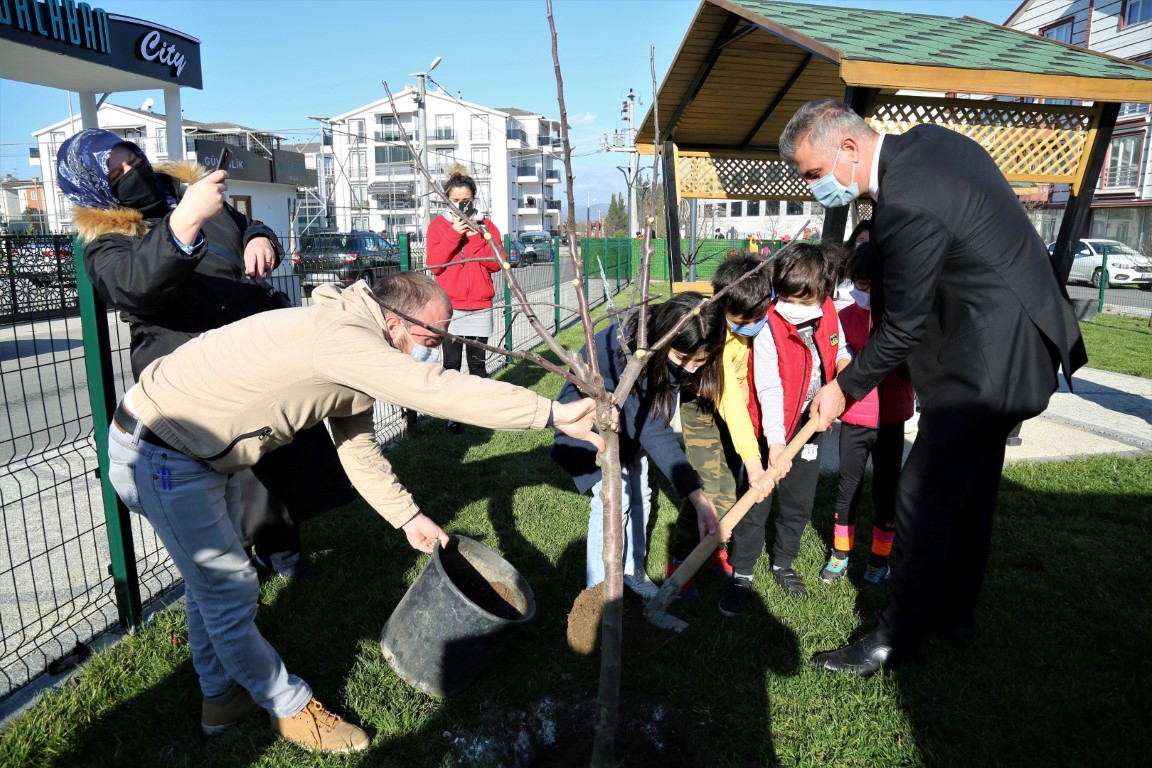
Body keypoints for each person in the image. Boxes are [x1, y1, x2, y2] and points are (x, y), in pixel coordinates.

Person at [103, 272, 600, 752]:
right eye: (433, 332)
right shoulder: (343, 342)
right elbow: (437, 388)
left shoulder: (354, 343)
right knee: (228, 588)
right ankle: (289, 707)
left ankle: (219, 699)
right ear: (395, 322)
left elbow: (358, 448)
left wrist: (408, 517)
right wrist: (551, 414)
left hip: (199, 455)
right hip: (162, 454)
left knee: (210, 587)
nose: (437, 344)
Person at [780, 99, 1085, 675]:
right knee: (970, 494)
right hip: (1017, 345)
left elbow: (902, 327)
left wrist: (842, 388)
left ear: (848, 148)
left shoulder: (909, 201)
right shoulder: (927, 145)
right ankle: (954, 614)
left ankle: (897, 637)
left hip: (988, 368)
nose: (815, 188)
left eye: (814, 175)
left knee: (921, 494)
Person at [58, 128, 350, 581]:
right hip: (191, 366)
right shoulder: (107, 240)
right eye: (115, 172)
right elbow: (133, 285)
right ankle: (242, 570)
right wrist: (184, 224)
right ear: (93, 187)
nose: (131, 172)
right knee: (234, 467)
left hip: (253, 345)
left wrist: (259, 239)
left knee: (278, 449)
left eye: (132, 158)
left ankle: (285, 555)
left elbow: (244, 224)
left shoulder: (187, 194)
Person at [551, 292, 724, 599]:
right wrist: (696, 495)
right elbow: (653, 430)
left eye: (701, 361)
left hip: (631, 424)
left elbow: (651, 415)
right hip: (588, 421)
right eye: (684, 359)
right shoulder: (630, 352)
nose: (692, 369)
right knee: (612, 501)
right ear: (665, 337)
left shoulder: (675, 348)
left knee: (639, 492)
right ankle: (599, 592)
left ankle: (631, 571)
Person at [720, 242, 851, 614]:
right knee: (757, 500)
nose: (795, 307)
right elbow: (769, 385)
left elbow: (838, 350)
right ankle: (742, 573)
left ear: (824, 292)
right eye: (788, 297)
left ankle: (784, 562)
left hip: (811, 427)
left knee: (798, 499)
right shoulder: (770, 322)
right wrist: (775, 443)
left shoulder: (827, 310)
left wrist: (843, 372)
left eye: (805, 299)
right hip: (769, 426)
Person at [666, 254, 775, 600]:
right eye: (742, 321)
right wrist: (755, 460)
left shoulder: (757, 318)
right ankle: (680, 560)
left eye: (758, 318)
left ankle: (710, 548)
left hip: (734, 406)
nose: (751, 326)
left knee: (728, 484)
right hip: (703, 407)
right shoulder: (715, 333)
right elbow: (727, 397)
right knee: (708, 488)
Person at [820, 241, 914, 587]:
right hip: (856, 416)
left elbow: (914, 364)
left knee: (887, 491)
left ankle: (879, 559)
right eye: (860, 283)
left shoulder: (903, 318)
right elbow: (840, 355)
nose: (867, 291)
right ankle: (840, 554)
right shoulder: (845, 317)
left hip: (892, 417)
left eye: (875, 283)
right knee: (848, 487)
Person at [426, 166, 501, 435]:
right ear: (446, 199)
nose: (460, 206)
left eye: (465, 201)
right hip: (451, 306)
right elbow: (434, 265)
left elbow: (497, 264)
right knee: (451, 364)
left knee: (478, 363)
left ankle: (482, 413)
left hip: (480, 305)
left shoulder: (486, 226)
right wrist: (455, 233)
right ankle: (453, 415)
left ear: (474, 199)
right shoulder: (438, 226)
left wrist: (477, 237)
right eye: (455, 201)